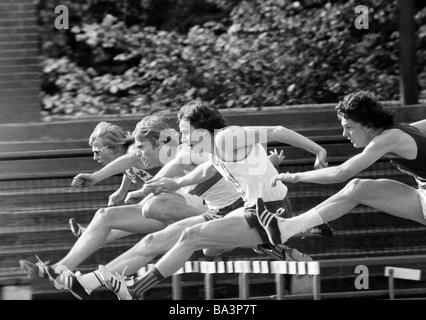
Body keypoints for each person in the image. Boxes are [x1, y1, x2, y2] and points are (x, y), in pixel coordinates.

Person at [96, 106, 329, 300]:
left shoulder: (227, 136)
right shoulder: (214, 149)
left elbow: (278, 131)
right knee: (208, 247)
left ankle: (136, 288)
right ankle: (295, 228)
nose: (184, 138)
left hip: (268, 209)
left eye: (186, 133)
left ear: (202, 129)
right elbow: (201, 173)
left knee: (190, 236)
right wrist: (171, 185)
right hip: (252, 210)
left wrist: (318, 150)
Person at [18, 113, 207, 292]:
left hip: (199, 206)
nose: (95, 158)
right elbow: (130, 170)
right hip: (179, 205)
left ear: (115, 148)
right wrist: (123, 190)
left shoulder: (144, 149)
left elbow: (131, 159)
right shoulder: (139, 157)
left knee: (153, 204)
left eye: (97, 152)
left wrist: (95, 177)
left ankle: (104, 238)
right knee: (106, 215)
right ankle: (61, 269)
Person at [267, 90, 426, 245]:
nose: (344, 133)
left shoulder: (390, 138)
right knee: (358, 188)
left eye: (349, 127)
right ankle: (290, 227)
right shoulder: (404, 130)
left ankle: (291, 227)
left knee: (357, 188)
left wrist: (294, 176)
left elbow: (341, 173)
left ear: (368, 125)